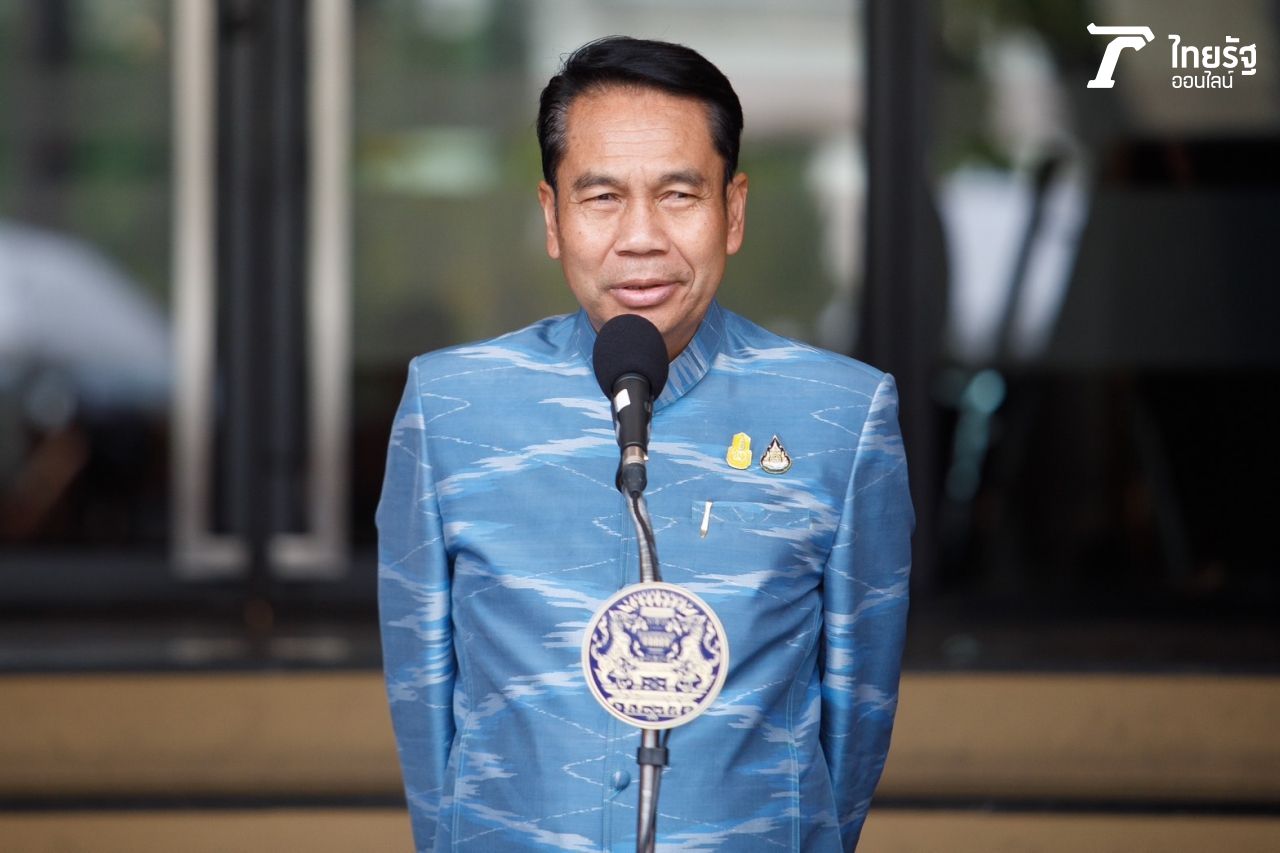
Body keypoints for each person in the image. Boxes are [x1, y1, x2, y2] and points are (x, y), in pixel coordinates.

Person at [378, 36, 912, 852]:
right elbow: (426, 714)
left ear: (733, 211)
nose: (641, 238)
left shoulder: (840, 416)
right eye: (601, 197)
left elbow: (856, 720)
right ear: (552, 216)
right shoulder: (451, 409)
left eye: (678, 194)